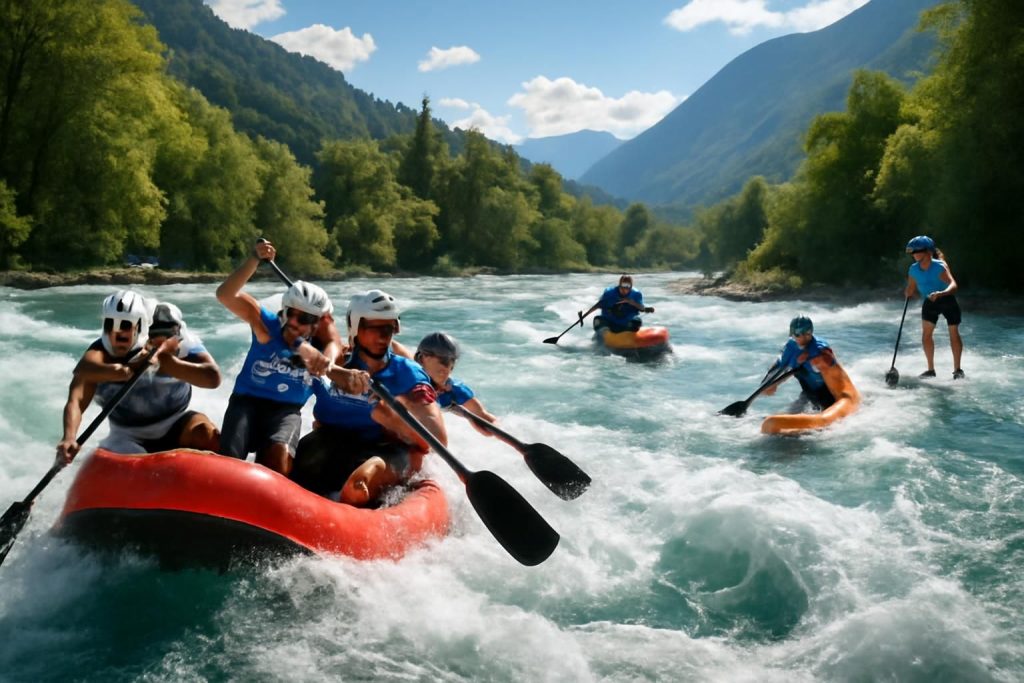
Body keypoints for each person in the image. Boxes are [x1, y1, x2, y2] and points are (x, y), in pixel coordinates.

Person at [290, 290, 448, 506]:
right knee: (302, 459)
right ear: (355, 328)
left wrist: (394, 416)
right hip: (333, 441)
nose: (383, 336)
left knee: (359, 484)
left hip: (387, 450)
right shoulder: (333, 365)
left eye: (389, 328)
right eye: (374, 328)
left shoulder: (408, 374)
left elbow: (438, 439)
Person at [215, 240, 341, 475]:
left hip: (286, 410)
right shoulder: (267, 322)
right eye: (290, 313)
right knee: (231, 458)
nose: (293, 322)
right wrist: (254, 259)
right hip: (247, 402)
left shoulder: (322, 343)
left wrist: (327, 362)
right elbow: (225, 294)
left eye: (303, 319)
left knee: (278, 456)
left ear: (317, 323)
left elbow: (335, 348)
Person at [56, 291, 222, 465]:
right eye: (111, 325)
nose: (118, 332)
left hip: (176, 422)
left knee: (205, 434)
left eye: (126, 325)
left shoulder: (183, 343)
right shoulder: (98, 356)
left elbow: (213, 378)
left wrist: (165, 361)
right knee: (131, 460)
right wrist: (69, 437)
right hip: (127, 435)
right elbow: (76, 398)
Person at [762, 315, 860, 411]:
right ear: (792, 334)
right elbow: (780, 366)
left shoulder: (819, 348)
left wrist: (810, 358)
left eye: (807, 333)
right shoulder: (790, 346)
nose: (803, 337)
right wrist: (769, 382)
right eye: (798, 334)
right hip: (808, 392)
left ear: (811, 332)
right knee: (792, 412)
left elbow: (830, 362)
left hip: (827, 394)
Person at [904, 235, 964, 379]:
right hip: (930, 302)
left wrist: (942, 293)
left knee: (953, 333)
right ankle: (930, 370)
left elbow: (953, 285)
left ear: (927, 252)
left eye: (916, 251)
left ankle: (957, 370)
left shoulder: (939, 266)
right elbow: (911, 288)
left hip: (947, 300)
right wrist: (908, 292)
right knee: (926, 336)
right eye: (912, 252)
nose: (914, 254)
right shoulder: (913, 269)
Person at [414, 332, 498, 436]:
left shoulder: (455, 389)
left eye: (446, 368)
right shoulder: (409, 382)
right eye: (439, 368)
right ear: (421, 359)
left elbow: (484, 417)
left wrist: (496, 427)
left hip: (448, 407)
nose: (443, 373)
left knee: (485, 428)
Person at [584, 274, 654, 333]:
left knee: (637, 322)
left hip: (626, 321)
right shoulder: (609, 293)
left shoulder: (636, 294)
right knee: (597, 321)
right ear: (619, 285)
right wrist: (583, 316)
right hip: (609, 321)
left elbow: (641, 308)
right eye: (623, 285)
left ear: (631, 286)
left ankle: (628, 335)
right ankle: (606, 335)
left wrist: (631, 302)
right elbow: (597, 306)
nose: (625, 289)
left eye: (627, 286)